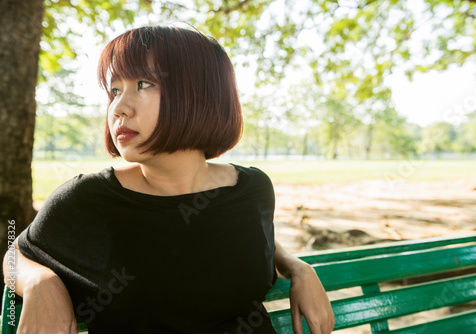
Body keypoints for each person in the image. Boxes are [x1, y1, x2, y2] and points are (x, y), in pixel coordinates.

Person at [3, 25, 335, 334]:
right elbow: (18, 253)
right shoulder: (87, 198)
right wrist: (38, 282)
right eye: (115, 89)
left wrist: (298, 268)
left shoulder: (252, 189)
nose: (119, 107)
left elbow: (248, 237)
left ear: (201, 94)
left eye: (143, 84)